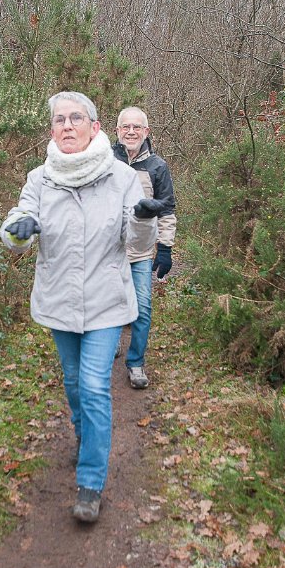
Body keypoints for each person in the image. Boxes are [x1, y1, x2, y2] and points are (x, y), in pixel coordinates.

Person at [0, 91, 149, 523]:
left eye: (76, 118)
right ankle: (85, 436)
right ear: (52, 131)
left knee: (95, 385)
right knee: (73, 382)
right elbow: (16, 228)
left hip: (106, 300)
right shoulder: (39, 179)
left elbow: (136, 242)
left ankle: (90, 481)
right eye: (60, 119)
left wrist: (144, 218)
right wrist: (18, 229)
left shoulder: (123, 177)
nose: (67, 125)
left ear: (95, 127)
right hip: (59, 299)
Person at [112, 107, 177, 389]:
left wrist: (165, 247)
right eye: (125, 127)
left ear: (146, 132)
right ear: (117, 131)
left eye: (136, 127)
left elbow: (167, 210)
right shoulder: (105, 162)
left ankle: (136, 363)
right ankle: (109, 345)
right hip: (108, 251)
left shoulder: (157, 167)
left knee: (142, 308)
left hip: (139, 253)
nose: (131, 132)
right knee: (108, 304)